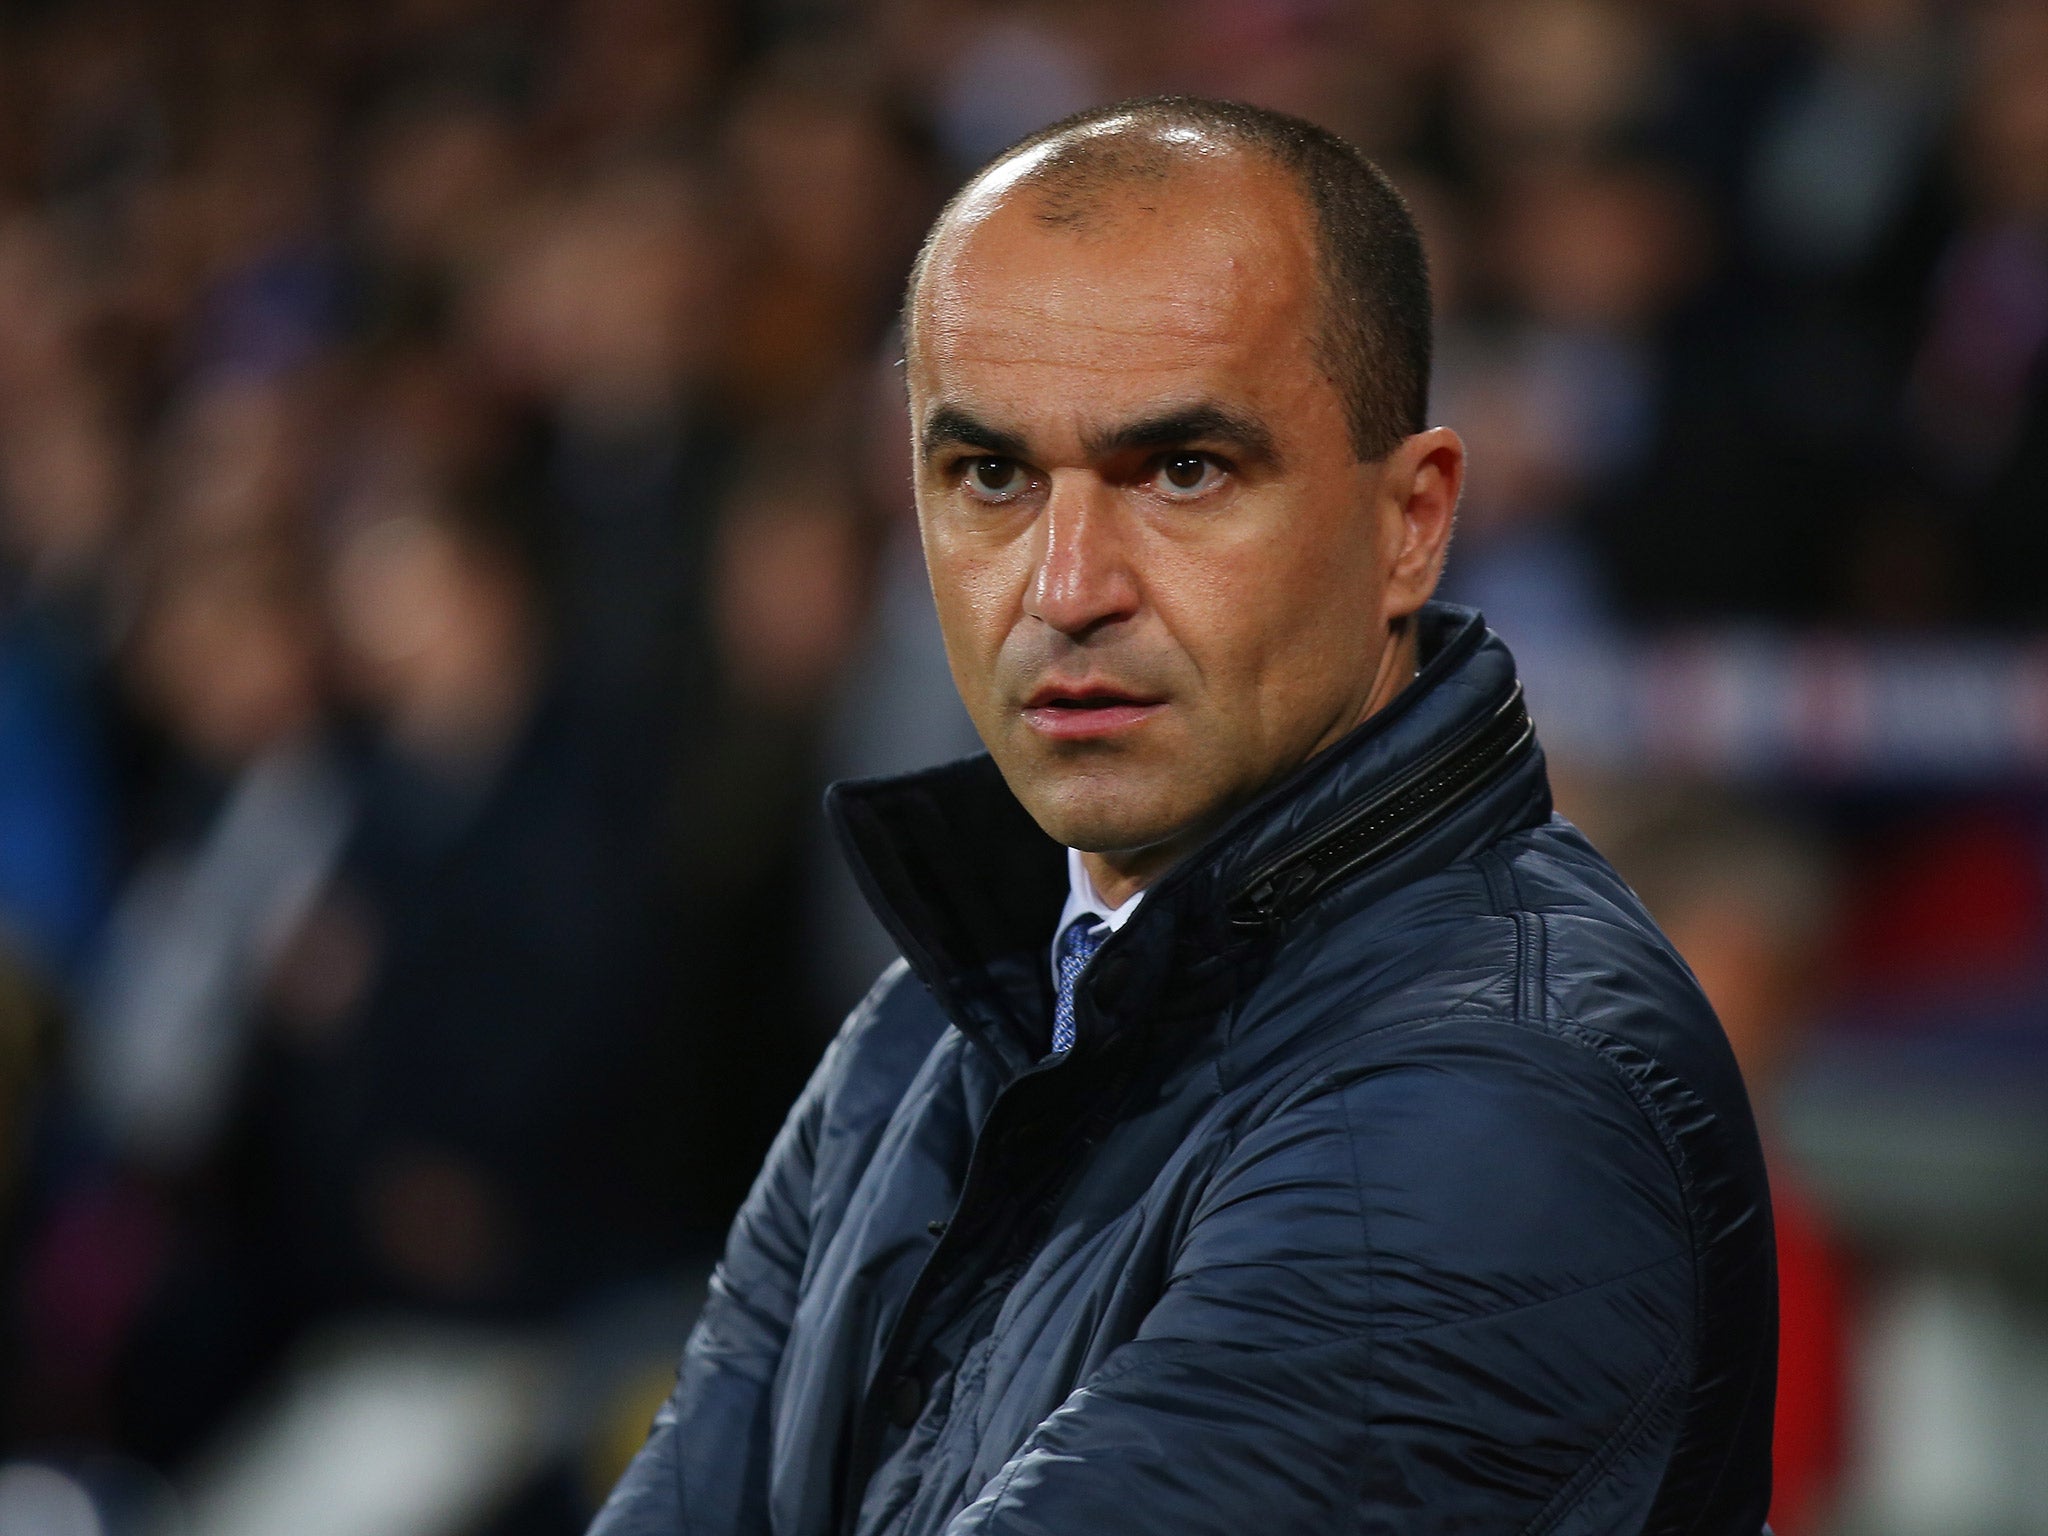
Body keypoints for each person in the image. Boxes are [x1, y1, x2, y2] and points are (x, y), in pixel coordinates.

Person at [593, 96, 1775, 1536]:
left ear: (1411, 520)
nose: (1065, 584)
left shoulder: (1502, 1097)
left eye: (1183, 471)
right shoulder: (921, 1029)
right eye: (992, 477)